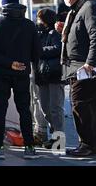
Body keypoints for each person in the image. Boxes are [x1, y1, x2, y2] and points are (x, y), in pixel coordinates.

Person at [0, 0, 41, 160]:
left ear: (3, 5)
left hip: (1, 73)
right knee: (24, 109)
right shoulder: (29, 25)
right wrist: (22, 62)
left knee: (0, 110)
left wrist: (8, 63)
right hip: (22, 73)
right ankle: (29, 147)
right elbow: (37, 52)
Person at [61, 0, 96, 157]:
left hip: (88, 69)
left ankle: (88, 145)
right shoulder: (82, 8)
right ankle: (90, 144)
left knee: (81, 105)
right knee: (87, 106)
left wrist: (91, 62)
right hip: (82, 68)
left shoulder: (90, 7)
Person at [34, 9, 65, 149]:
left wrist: (40, 50)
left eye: (40, 19)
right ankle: (54, 135)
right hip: (42, 75)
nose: (38, 22)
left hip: (54, 75)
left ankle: (59, 141)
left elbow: (58, 49)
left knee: (55, 108)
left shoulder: (55, 33)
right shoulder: (40, 33)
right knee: (45, 108)